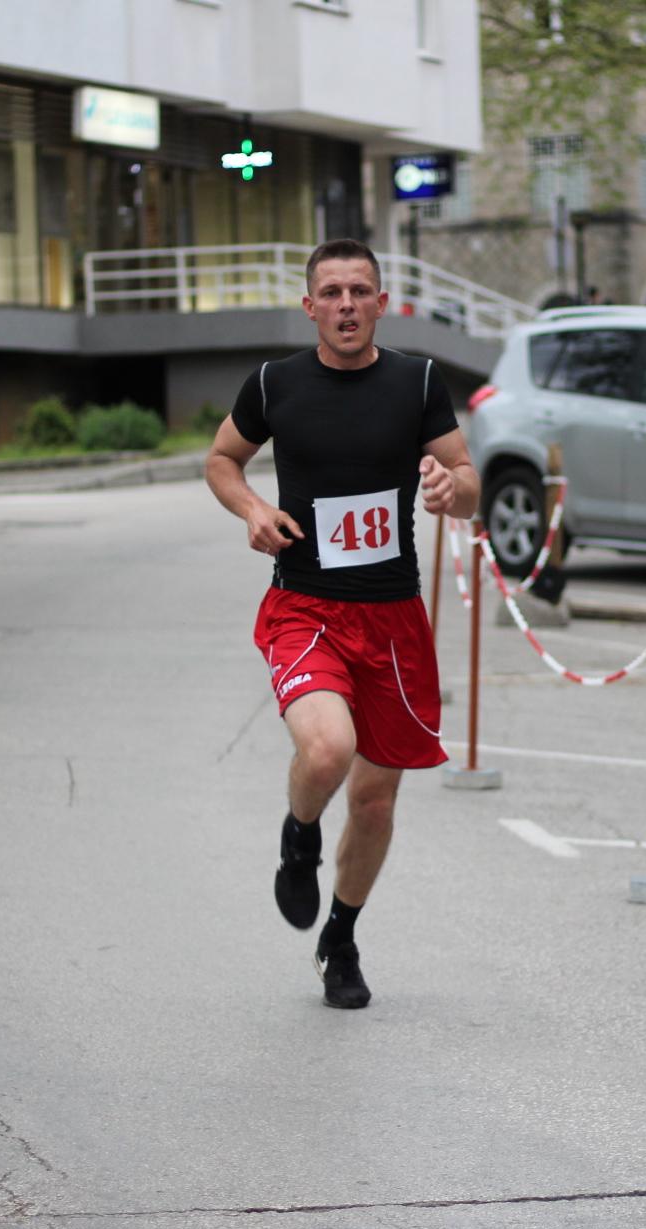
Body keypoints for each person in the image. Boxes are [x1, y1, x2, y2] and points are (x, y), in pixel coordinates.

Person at [205, 239, 480, 1009]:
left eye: (361, 290)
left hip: (392, 619)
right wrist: (255, 510)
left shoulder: (418, 382)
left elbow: (468, 483)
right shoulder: (275, 384)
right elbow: (222, 461)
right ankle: (299, 837)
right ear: (311, 306)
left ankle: (342, 938)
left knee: (376, 799)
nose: (347, 304)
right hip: (306, 607)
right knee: (329, 750)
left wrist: (445, 486)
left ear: (382, 302)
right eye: (332, 292)